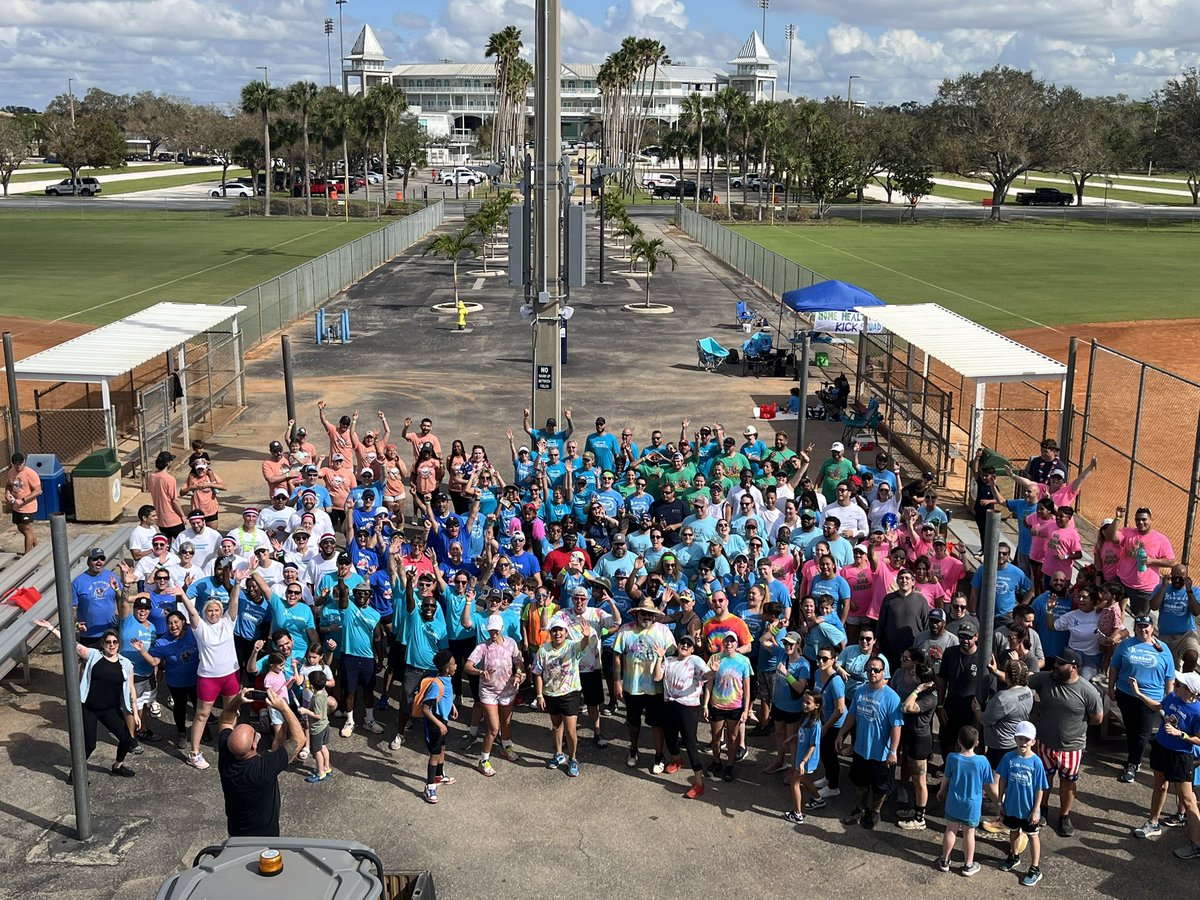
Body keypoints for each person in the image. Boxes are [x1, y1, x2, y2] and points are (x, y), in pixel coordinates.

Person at [35, 619, 137, 780]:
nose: (111, 644)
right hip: (89, 708)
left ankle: (118, 765)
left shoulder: (126, 664)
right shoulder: (94, 655)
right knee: (89, 744)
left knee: (127, 739)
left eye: (115, 642)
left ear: (119, 644)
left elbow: (131, 689)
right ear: (103, 644)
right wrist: (51, 628)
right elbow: (71, 643)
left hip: (110, 709)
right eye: (108, 642)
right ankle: (75, 773)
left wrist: (135, 712)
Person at [1027, 649, 1103, 837]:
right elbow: (1022, 679)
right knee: (1044, 779)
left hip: (1072, 747)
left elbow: (1097, 718)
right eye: (1056, 663)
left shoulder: (1088, 691)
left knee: (1067, 782)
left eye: (1061, 664)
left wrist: (1076, 729)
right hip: (1045, 743)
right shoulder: (1046, 679)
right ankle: (1042, 808)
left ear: (1074, 667)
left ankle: (1064, 816)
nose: (1056, 666)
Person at [180, 569, 246, 770]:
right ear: (205, 612)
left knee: (230, 711)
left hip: (231, 675)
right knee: (202, 715)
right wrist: (182, 594)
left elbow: (234, 604)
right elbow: (191, 611)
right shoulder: (200, 627)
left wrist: (237, 584)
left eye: (217, 610)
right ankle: (194, 752)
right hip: (209, 678)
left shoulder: (228, 622)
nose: (214, 613)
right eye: (210, 610)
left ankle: (229, 746)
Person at [218, 688, 303, 836]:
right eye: (254, 733)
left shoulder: (227, 756)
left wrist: (237, 700)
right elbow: (299, 739)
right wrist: (284, 707)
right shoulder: (264, 769)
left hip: (236, 835)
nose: (256, 732)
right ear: (254, 745)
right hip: (266, 838)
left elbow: (225, 720)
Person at [1128, 670, 1200, 841]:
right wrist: (1138, 693)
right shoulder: (1173, 697)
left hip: (1181, 756)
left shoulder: (1198, 712)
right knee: (1159, 786)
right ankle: (1153, 823)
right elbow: (1157, 706)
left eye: (1179, 684)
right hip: (1161, 747)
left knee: (1187, 798)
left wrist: (1180, 734)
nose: (1175, 685)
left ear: (1189, 690)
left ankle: (1196, 843)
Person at [837, 655, 903, 829]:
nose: (872, 673)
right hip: (860, 749)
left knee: (880, 788)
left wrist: (893, 751)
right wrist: (841, 734)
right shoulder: (860, 691)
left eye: (876, 670)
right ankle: (860, 808)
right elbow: (852, 715)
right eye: (870, 670)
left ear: (883, 672)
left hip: (881, 754)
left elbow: (896, 727)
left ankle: (874, 812)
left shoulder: (892, 698)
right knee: (860, 782)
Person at [1109, 615, 1175, 783]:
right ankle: (1134, 755)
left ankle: (1133, 763)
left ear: (1152, 628)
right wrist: (1111, 687)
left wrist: (1169, 698)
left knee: (1142, 732)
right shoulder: (1126, 645)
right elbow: (1114, 667)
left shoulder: (1163, 649)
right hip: (1126, 694)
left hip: (1150, 698)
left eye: (1146, 626)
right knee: (1131, 729)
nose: (1143, 629)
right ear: (1135, 628)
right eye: (1139, 626)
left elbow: (1169, 677)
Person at [613, 599, 676, 772]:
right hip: (632, 685)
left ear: (655, 615)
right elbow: (617, 657)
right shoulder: (626, 630)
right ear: (636, 613)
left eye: (650, 613)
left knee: (656, 723)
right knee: (633, 722)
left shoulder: (663, 631)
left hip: (655, 687)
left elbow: (673, 656)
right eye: (643, 613)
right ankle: (633, 749)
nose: (646, 616)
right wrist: (617, 682)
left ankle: (658, 755)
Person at [534, 614, 594, 778]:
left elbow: (583, 645)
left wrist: (586, 636)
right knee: (556, 726)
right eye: (554, 630)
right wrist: (539, 695)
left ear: (566, 633)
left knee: (570, 730)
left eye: (560, 630)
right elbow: (538, 673)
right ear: (550, 633)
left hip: (570, 693)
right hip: (550, 693)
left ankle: (573, 758)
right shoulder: (543, 650)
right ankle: (559, 754)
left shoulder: (572, 647)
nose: (557, 633)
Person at [465, 613, 525, 776]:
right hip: (488, 692)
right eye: (491, 630)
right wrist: (480, 671)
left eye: (496, 630)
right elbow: (467, 666)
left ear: (502, 629)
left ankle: (506, 747)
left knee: (506, 722)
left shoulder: (511, 643)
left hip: (507, 691)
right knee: (493, 728)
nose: (493, 634)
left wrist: (519, 672)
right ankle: (483, 760)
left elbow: (518, 660)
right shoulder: (482, 647)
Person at [653, 634, 711, 799]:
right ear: (678, 645)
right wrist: (659, 658)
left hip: (688, 707)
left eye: (688, 644)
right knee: (669, 736)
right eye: (682, 642)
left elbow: (707, 676)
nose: (685, 645)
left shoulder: (695, 660)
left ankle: (699, 783)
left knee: (690, 743)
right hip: (669, 704)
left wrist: (712, 670)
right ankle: (677, 760)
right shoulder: (669, 660)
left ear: (692, 649)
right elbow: (657, 677)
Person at [936, 725, 994, 877]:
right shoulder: (982, 761)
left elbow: (946, 779)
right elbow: (988, 784)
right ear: (977, 743)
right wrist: (997, 801)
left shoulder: (952, 758)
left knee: (950, 830)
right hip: (972, 805)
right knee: (969, 834)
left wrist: (942, 792)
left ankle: (945, 861)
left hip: (954, 802)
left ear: (958, 741)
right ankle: (968, 865)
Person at [996, 720, 1049, 886]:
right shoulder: (1008, 758)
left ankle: (1035, 868)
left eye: (1027, 739)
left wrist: (1036, 810)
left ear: (1033, 741)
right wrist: (999, 801)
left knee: (1033, 836)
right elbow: (1002, 780)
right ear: (1015, 739)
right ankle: (1014, 855)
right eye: (1020, 738)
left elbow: (1040, 788)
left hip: (1029, 810)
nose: (1023, 742)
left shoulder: (1037, 763)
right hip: (1011, 806)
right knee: (1013, 831)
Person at [707, 632, 752, 783]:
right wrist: (705, 704)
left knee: (732, 737)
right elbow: (709, 682)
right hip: (717, 704)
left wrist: (746, 710)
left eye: (732, 641)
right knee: (715, 737)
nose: (729, 644)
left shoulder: (744, 661)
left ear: (736, 643)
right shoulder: (715, 658)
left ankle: (730, 765)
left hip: (735, 706)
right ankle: (716, 761)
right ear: (723, 643)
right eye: (727, 641)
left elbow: (747, 688)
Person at [1115, 506, 1177, 615]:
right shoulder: (1128, 532)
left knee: (1141, 619)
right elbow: (1111, 537)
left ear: (1151, 520)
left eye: (1144, 519)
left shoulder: (1161, 540)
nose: (1140, 522)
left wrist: (1151, 561)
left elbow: (1171, 562)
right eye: (1138, 519)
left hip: (1144, 588)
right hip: (1122, 581)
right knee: (1114, 610)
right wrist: (1117, 518)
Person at [418, 648, 459, 804]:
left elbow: (446, 697)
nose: (456, 666)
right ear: (447, 669)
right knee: (435, 754)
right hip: (435, 723)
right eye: (454, 664)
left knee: (442, 749)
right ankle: (429, 786)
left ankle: (439, 775)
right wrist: (440, 724)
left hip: (442, 721)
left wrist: (452, 707)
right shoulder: (436, 684)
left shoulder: (447, 679)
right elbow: (426, 709)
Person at [785, 691, 825, 825]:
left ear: (817, 705)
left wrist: (803, 762)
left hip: (806, 760)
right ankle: (818, 799)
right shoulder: (807, 718)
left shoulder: (816, 724)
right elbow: (804, 736)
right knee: (805, 779)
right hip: (802, 758)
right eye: (804, 701)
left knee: (795, 782)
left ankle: (797, 814)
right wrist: (793, 737)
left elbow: (813, 745)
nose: (804, 704)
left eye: (808, 702)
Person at [1152, 566, 1200, 673]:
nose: (1177, 581)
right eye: (1174, 578)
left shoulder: (1195, 591)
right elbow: (1153, 606)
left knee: (1192, 655)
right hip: (1166, 635)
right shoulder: (1161, 588)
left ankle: (1186, 683)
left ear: (1186, 578)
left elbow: (1196, 611)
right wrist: (1164, 587)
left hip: (1186, 634)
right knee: (1171, 669)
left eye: (1181, 579)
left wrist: (1189, 591)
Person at [298, 669, 333, 783]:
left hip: (317, 729)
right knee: (323, 747)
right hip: (325, 725)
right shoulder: (323, 692)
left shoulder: (317, 699)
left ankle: (321, 772)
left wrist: (305, 711)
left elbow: (318, 715)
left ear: (312, 685)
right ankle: (327, 767)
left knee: (317, 751)